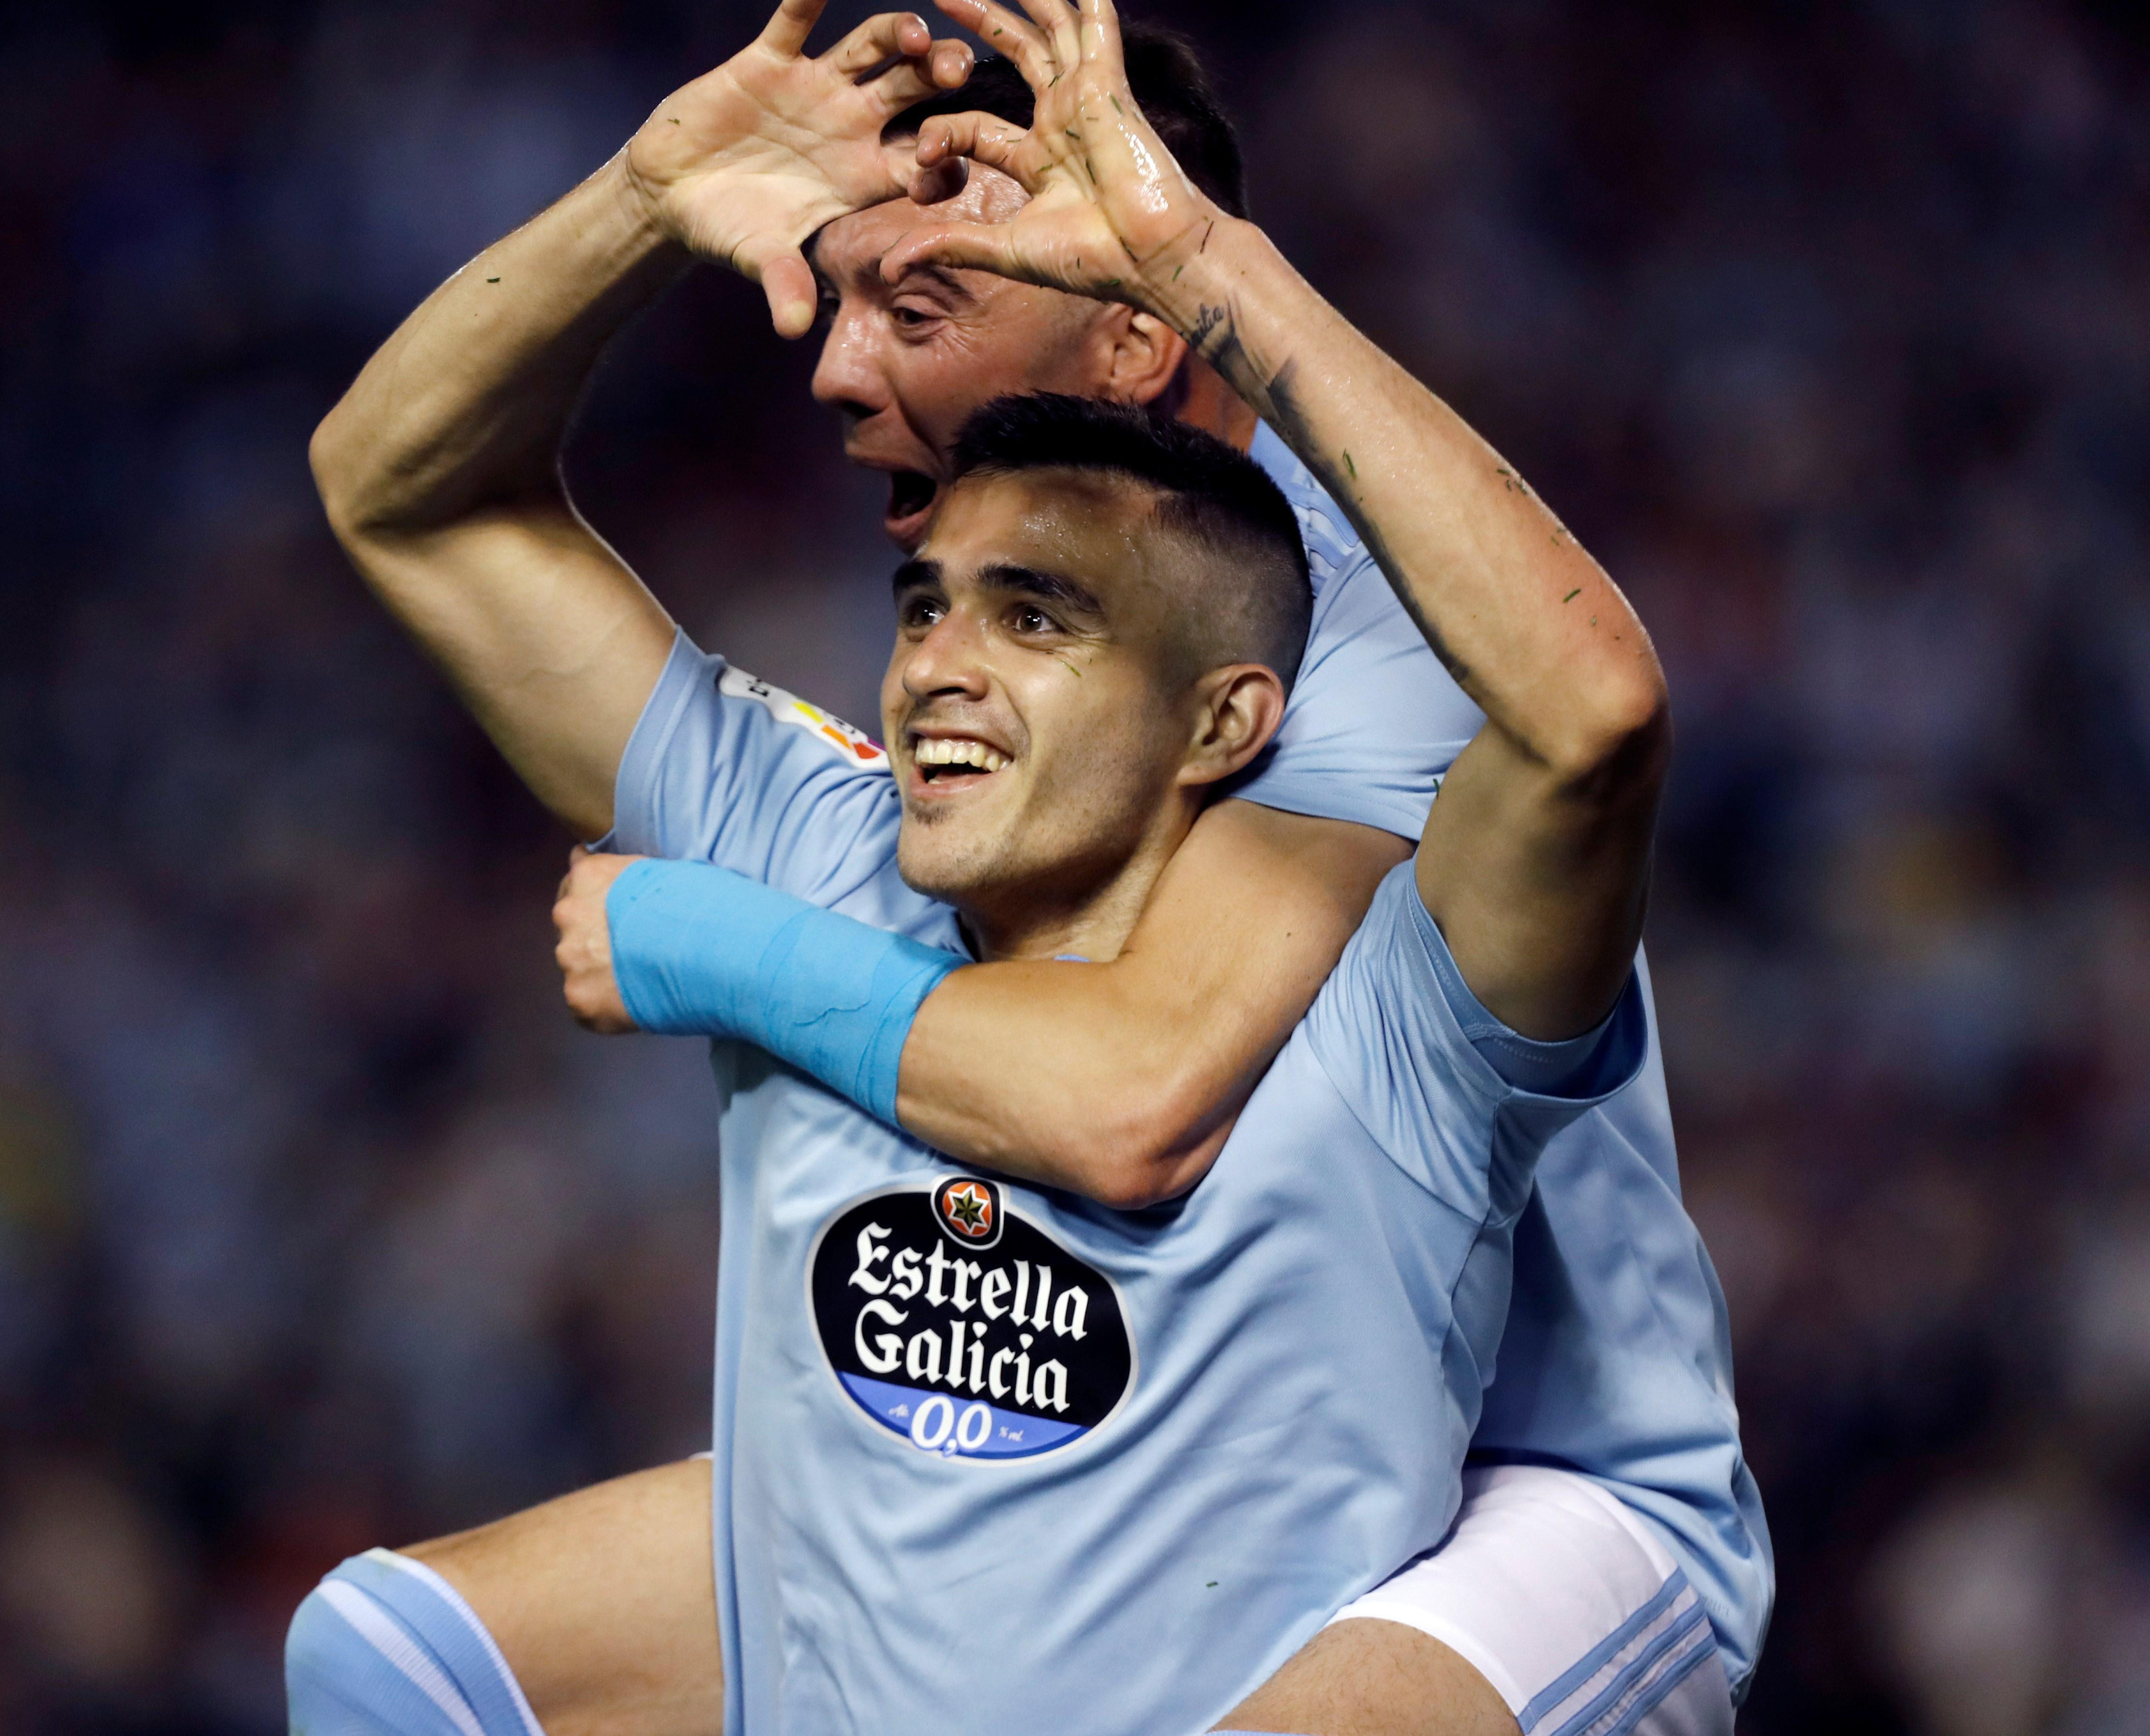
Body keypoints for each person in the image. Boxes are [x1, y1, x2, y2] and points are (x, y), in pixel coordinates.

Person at [290, 3, 1756, 1733]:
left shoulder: (1395, 656)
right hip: (1123, 1431)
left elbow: (1134, 1093)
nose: (834, 369)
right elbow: (401, 491)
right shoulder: (912, 780)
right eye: (935, 609)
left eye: (922, 306)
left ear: (1140, 331)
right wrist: (646, 193)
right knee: (392, 1661)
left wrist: (701, 935)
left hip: (1516, 1475)